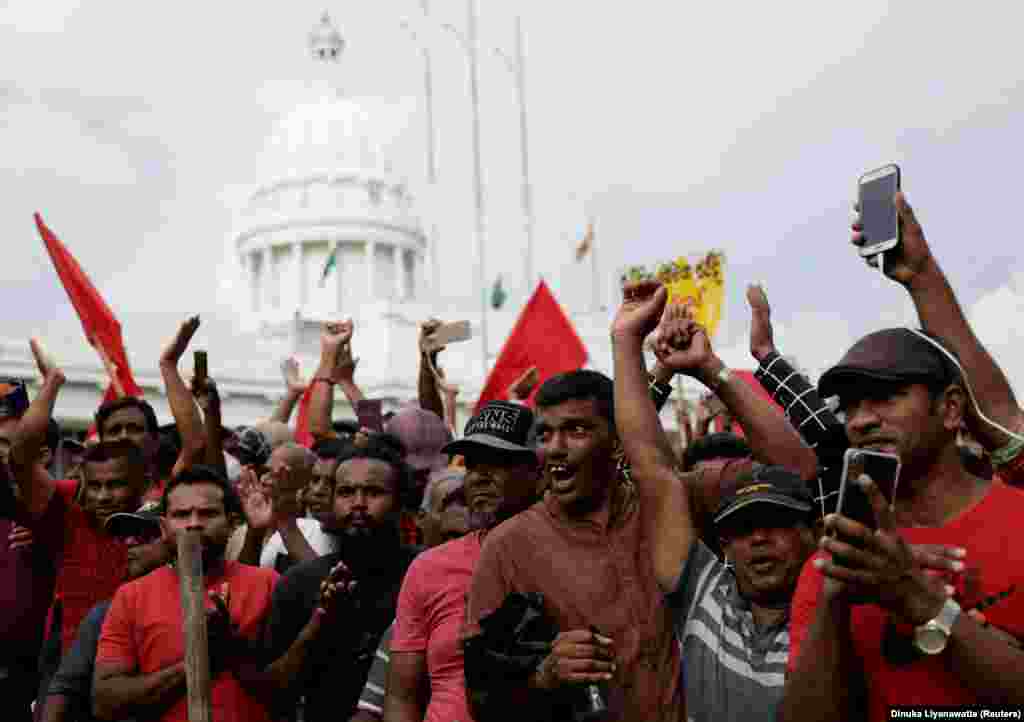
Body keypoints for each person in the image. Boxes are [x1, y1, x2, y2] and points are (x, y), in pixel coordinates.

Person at [779, 325, 1024, 719]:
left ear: (951, 409)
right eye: (849, 406)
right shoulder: (839, 556)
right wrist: (833, 603)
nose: (860, 421)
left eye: (884, 397)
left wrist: (919, 600)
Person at [610, 282, 822, 722]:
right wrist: (626, 342)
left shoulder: (838, 622)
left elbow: (803, 467)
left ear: (813, 535)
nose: (759, 539)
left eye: (777, 524)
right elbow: (652, 469)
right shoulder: (706, 599)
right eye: (743, 529)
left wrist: (710, 368)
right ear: (723, 547)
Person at [464, 371, 688, 722]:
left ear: (616, 441)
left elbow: (801, 466)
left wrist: (714, 371)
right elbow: (482, 694)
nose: (554, 448)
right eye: (544, 434)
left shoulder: (670, 511)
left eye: (576, 430)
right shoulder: (508, 548)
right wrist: (544, 674)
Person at [384, 401, 541, 722]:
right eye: (472, 464)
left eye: (498, 462)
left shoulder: (570, 557)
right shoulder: (430, 568)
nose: (479, 477)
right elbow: (402, 698)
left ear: (537, 472)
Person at [93, 466, 278, 722]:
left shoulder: (267, 583)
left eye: (207, 513)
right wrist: (197, 661)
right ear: (163, 526)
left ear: (232, 522)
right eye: (181, 515)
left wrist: (233, 650)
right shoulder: (132, 596)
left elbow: (288, 687)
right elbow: (105, 701)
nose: (193, 524)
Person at [261, 437, 420, 722]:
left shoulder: (424, 575)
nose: (358, 504)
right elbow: (272, 690)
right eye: (346, 492)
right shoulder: (300, 583)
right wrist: (319, 623)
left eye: (373, 492)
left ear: (399, 502)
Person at [352, 480, 470, 722]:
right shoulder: (409, 620)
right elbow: (372, 712)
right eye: (448, 538)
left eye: (465, 539)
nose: (453, 552)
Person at [41, 505, 164, 722]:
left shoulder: (208, 600)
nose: (129, 542)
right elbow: (63, 689)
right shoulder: (106, 612)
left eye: (144, 535)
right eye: (126, 535)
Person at [237, 443, 327, 572]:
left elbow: (323, 583)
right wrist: (254, 532)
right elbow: (246, 583)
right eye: (265, 472)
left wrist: (286, 524)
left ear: (304, 483)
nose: (264, 480)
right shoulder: (246, 532)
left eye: (278, 475)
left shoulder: (320, 532)